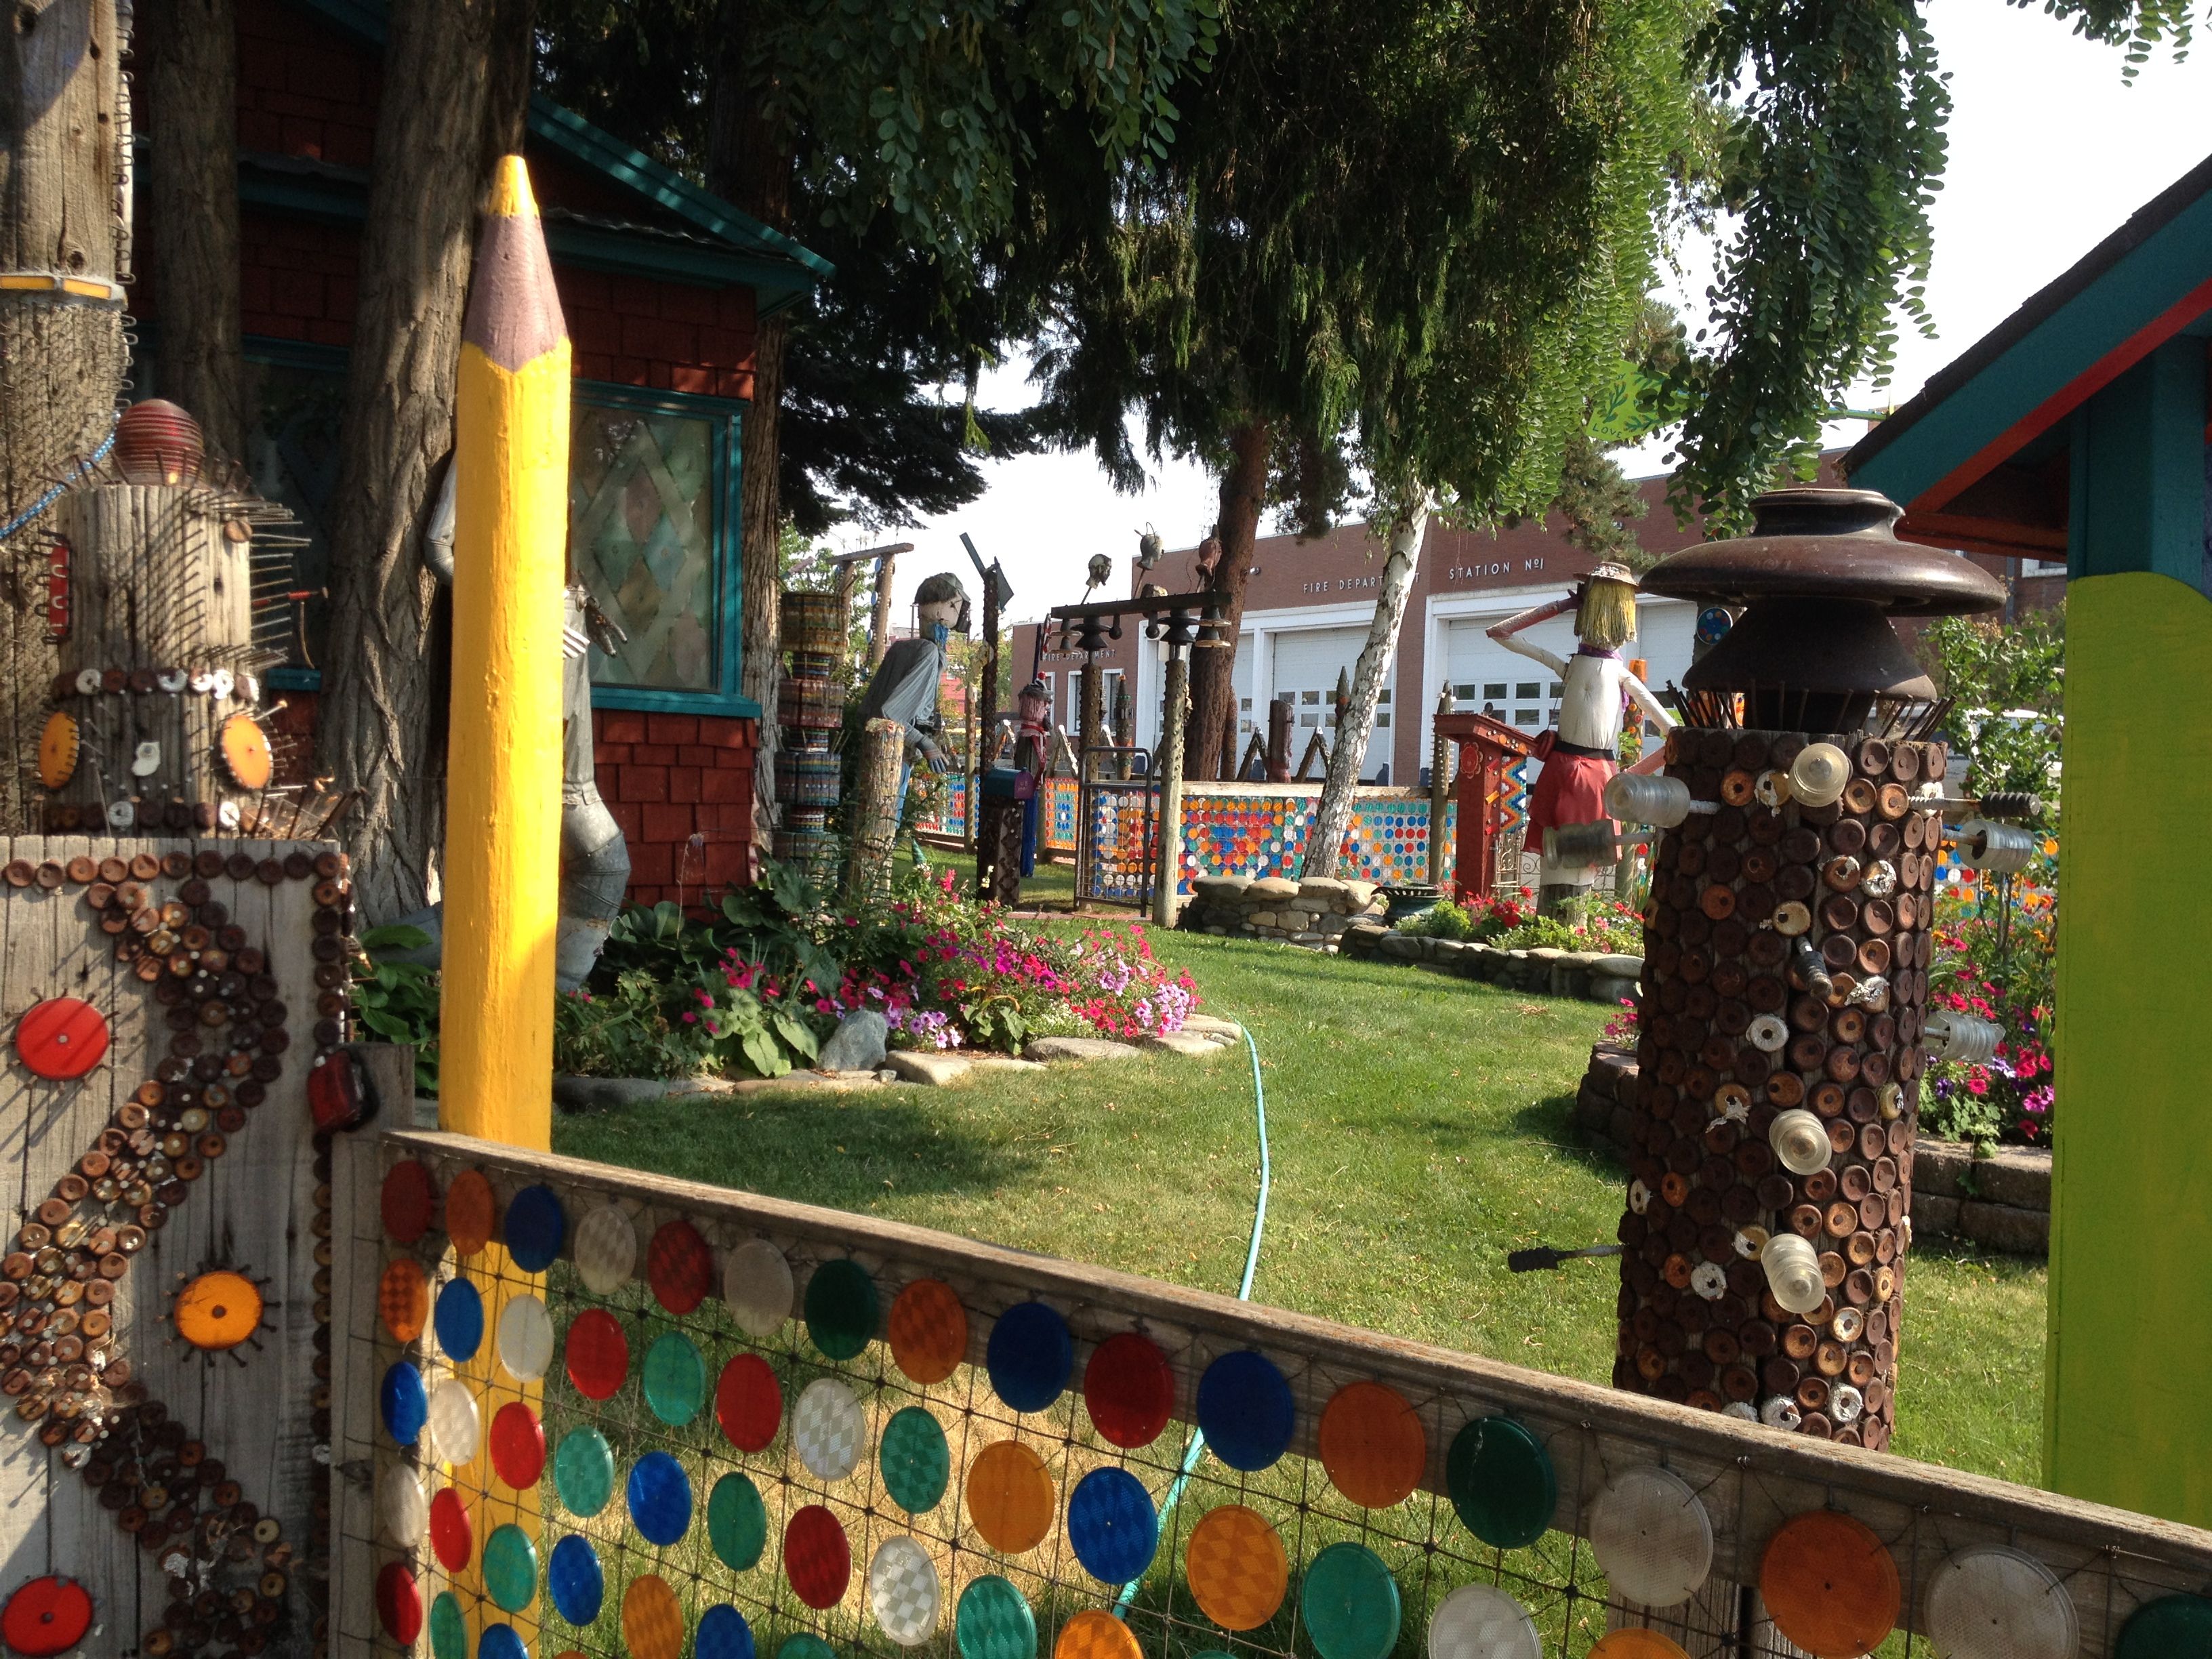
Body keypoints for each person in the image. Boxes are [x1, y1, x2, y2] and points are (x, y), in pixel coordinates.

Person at [1487, 563, 1675, 912]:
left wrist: (1629, 779)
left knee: (1574, 870)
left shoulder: (1611, 674)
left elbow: (1673, 737)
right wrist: (1562, 605)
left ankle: (1565, 932)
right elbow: (1499, 632)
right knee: (1557, 863)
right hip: (1573, 774)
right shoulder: (1579, 668)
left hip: (1587, 776)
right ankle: (1556, 932)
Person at [857, 572, 970, 852]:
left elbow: (868, 708)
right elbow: (890, 715)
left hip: (871, 754)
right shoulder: (928, 653)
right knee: (883, 831)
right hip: (894, 758)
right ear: (946, 607)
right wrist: (925, 743)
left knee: (869, 828)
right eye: (957, 607)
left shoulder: (901, 649)